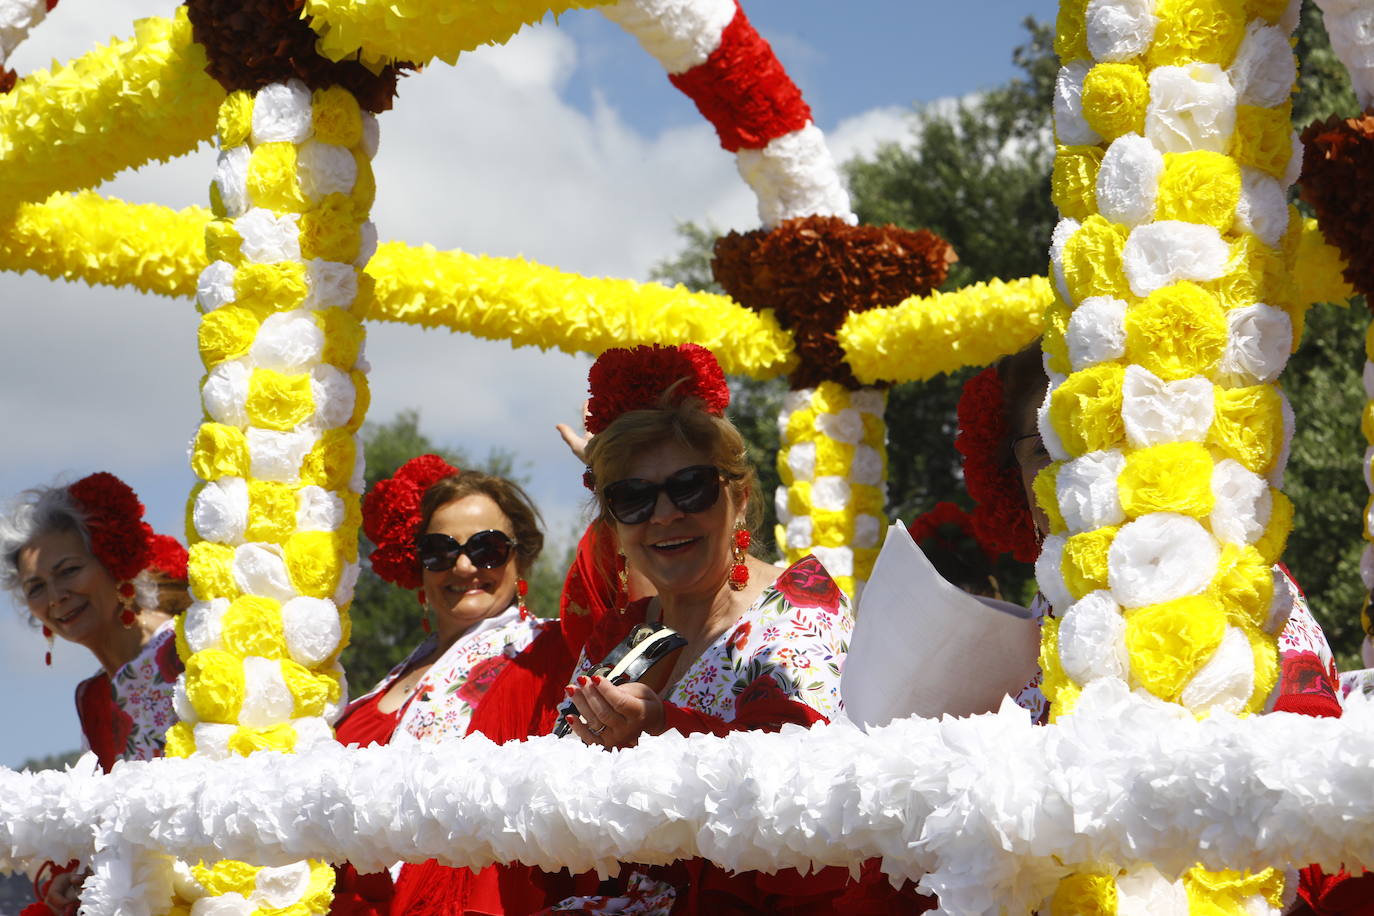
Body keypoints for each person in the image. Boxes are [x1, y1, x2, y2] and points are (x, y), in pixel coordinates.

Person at [546, 343, 859, 914]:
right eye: (633, 498)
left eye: (690, 486)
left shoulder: (800, 607)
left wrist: (663, 730)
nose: (665, 515)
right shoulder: (620, 633)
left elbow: (803, 791)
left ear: (738, 498)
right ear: (614, 526)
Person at [956, 345, 1343, 721]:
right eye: (1045, 447)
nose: (1076, 468)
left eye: (1106, 438)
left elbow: (1298, 741)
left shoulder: (1240, 581)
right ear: (1014, 479)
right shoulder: (1045, 608)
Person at [332, 458, 585, 916]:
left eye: (487, 548)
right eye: (440, 551)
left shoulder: (550, 655)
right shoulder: (393, 678)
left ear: (520, 556)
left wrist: (613, 472)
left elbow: (625, 591)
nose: (464, 565)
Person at [0, 472, 189, 916]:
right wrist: (81, 877)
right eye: (36, 588)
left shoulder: (189, 648)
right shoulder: (92, 697)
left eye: (68, 571)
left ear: (112, 562)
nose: (56, 597)